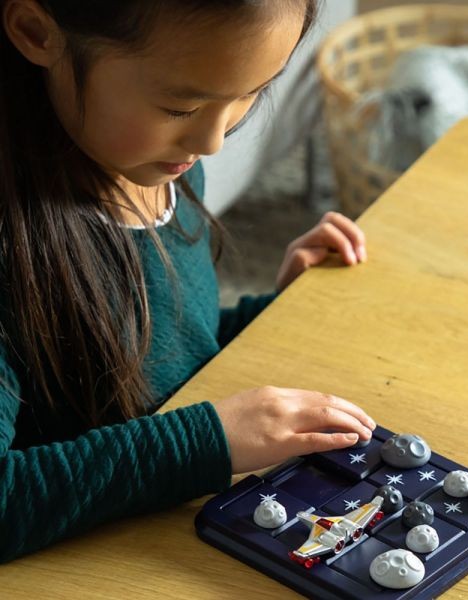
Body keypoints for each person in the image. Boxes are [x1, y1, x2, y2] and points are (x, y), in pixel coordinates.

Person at [0, 0, 375, 563]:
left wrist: (275, 312)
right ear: (35, 32)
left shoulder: (154, 165)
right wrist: (206, 441)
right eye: (181, 107)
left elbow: (153, 349)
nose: (213, 142)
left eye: (252, 92)